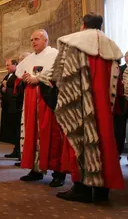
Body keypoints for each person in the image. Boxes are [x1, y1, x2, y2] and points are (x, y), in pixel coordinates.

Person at [50, 12, 124, 202]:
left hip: (79, 103)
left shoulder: (72, 43)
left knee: (79, 137)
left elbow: (60, 76)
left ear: (83, 25)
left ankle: (81, 188)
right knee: (105, 140)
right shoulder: (111, 47)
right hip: (105, 105)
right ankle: (101, 191)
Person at [15, 29, 66, 187]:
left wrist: (38, 78)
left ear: (46, 40)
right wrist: (26, 77)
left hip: (48, 98)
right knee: (33, 132)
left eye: (36, 39)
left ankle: (58, 172)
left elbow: (57, 72)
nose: (33, 42)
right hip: (31, 99)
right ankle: (36, 169)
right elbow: (19, 71)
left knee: (51, 133)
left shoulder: (54, 53)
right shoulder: (30, 58)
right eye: (31, 40)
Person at [114, 51, 128, 157]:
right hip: (122, 103)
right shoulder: (119, 69)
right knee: (119, 130)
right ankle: (117, 153)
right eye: (127, 56)